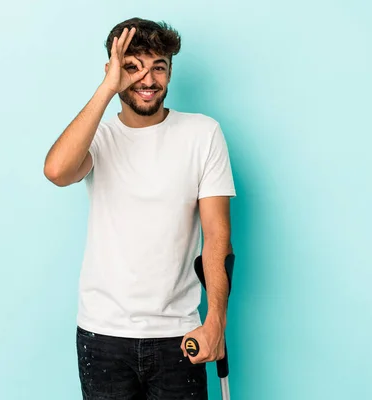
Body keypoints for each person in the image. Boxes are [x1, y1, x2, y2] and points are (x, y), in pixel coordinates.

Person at [44, 17, 236, 400]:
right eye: (133, 67)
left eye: (158, 67)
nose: (148, 80)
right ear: (113, 71)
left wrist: (216, 321)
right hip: (103, 335)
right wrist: (107, 88)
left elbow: (217, 235)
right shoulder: (97, 136)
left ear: (170, 71)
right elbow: (57, 171)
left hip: (178, 334)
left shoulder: (203, 134)